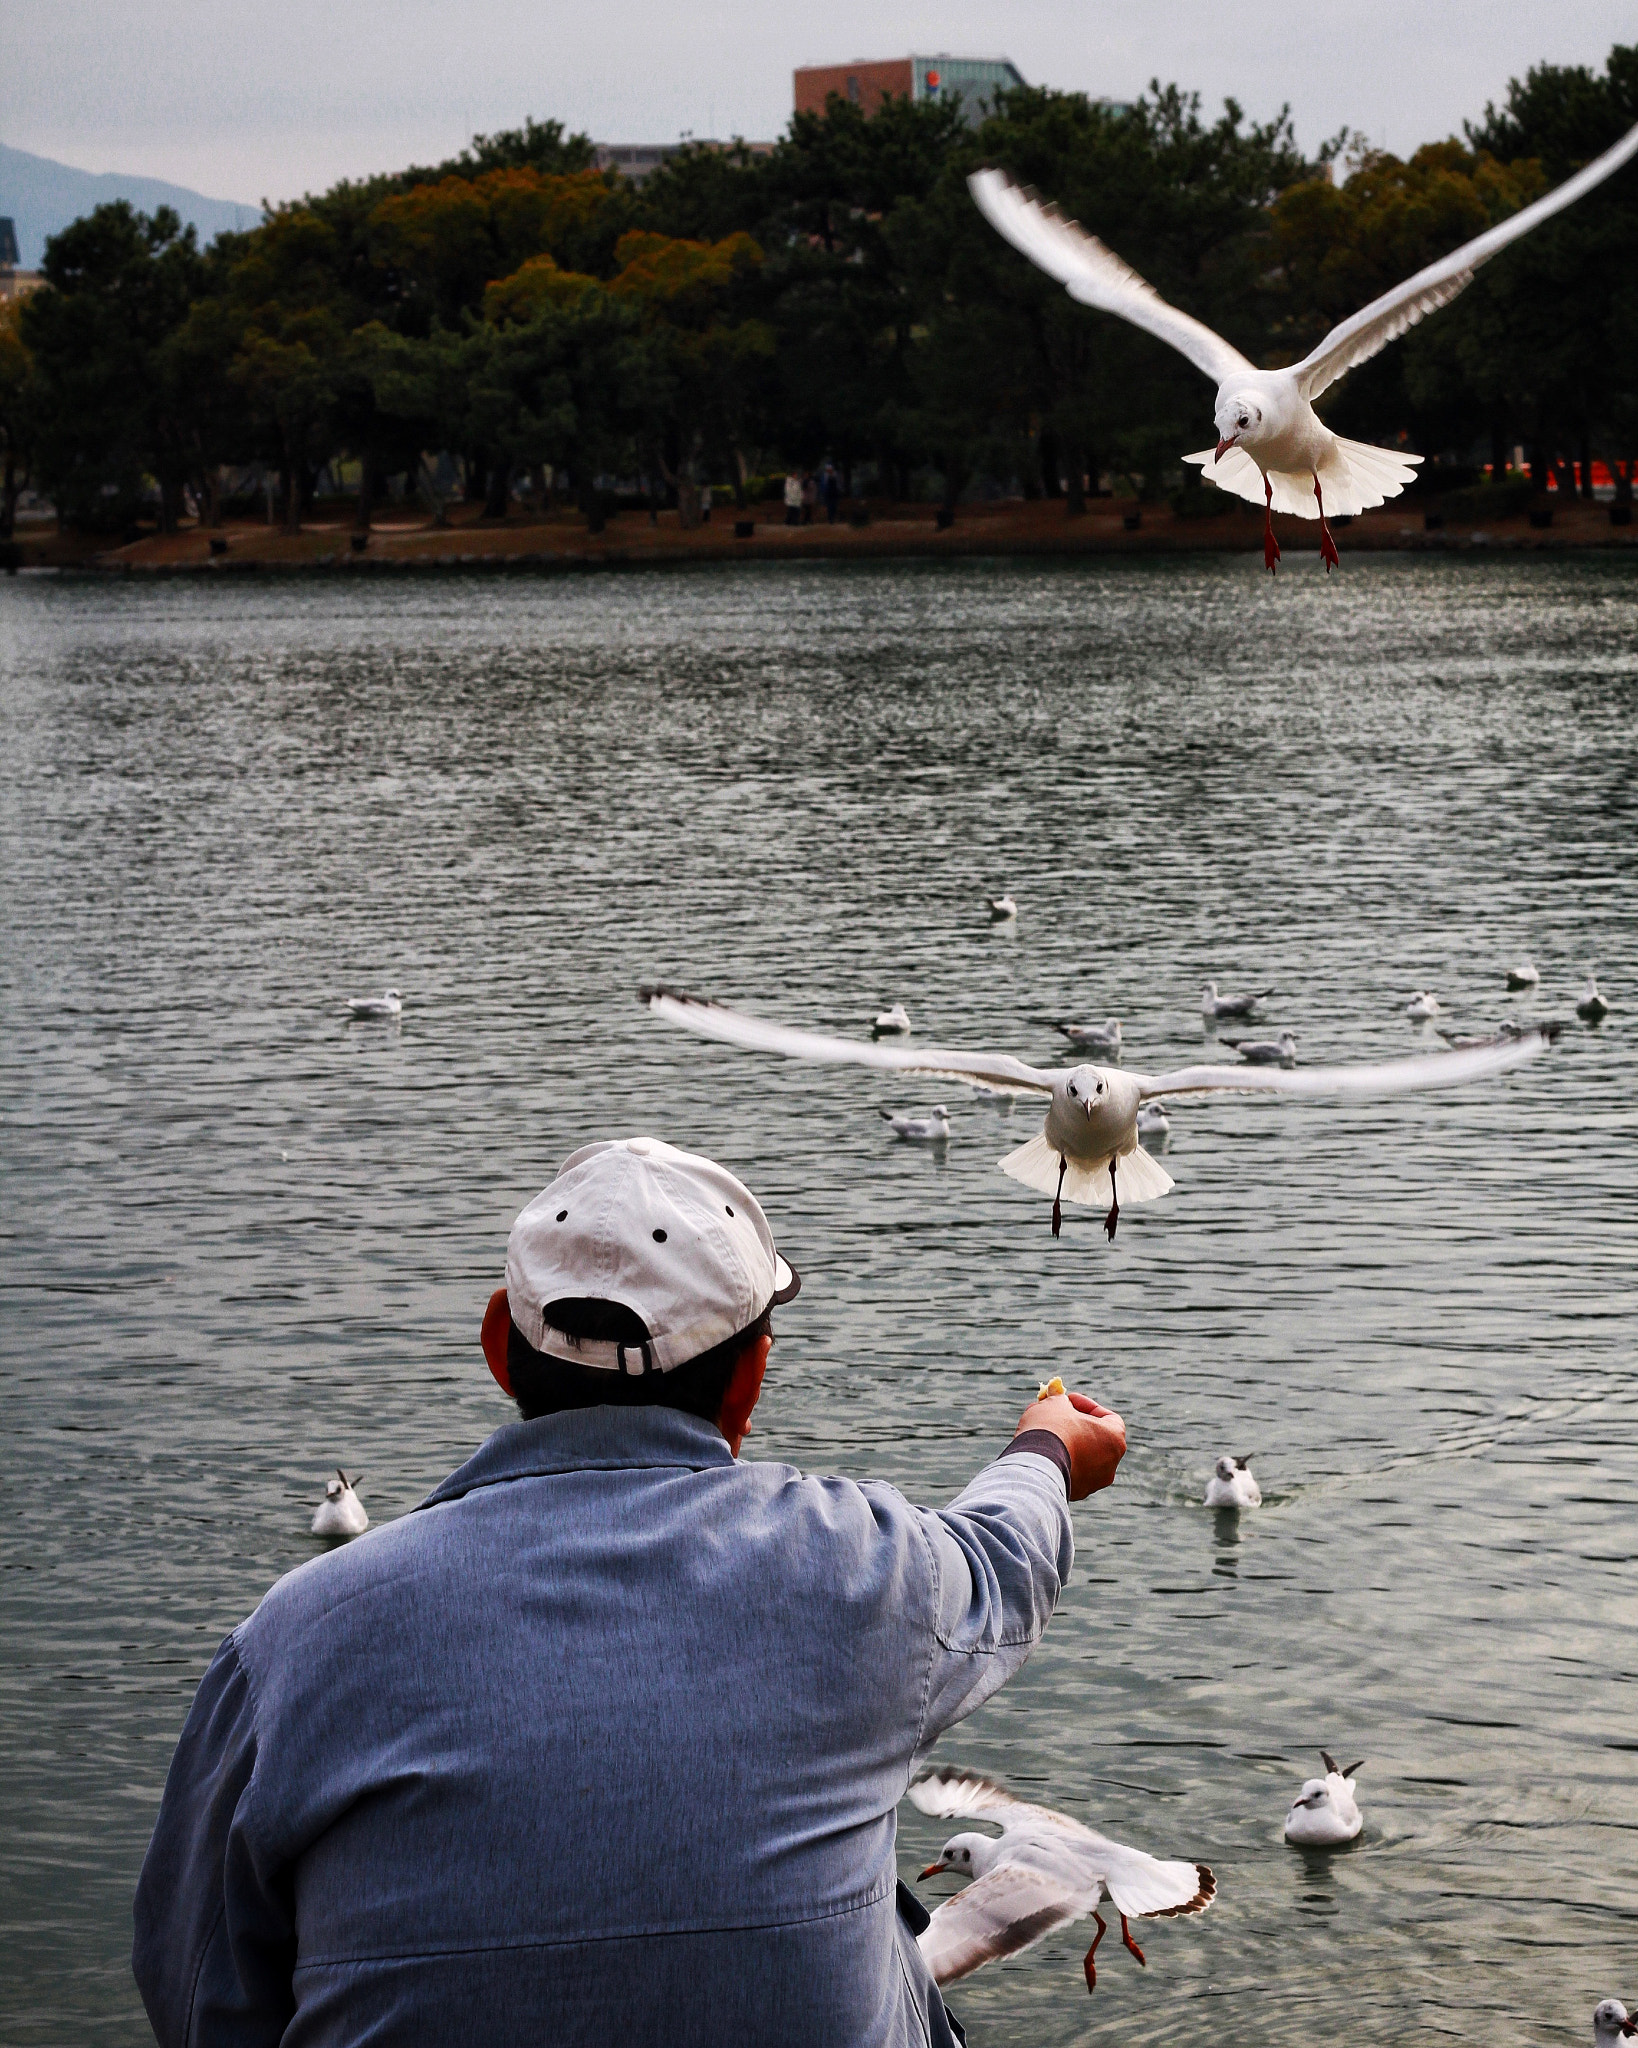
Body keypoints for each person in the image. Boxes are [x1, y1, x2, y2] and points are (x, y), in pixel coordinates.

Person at [132, 1136, 1125, 2047]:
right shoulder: (865, 1566)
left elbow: (199, 1993)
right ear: (753, 1375)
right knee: (890, 1922)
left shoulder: (293, 1638)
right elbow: (1005, 1554)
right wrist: (1046, 1442)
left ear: (495, 1341)